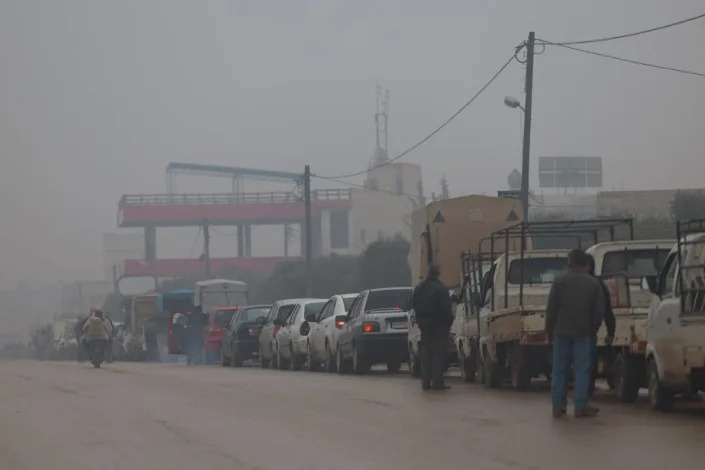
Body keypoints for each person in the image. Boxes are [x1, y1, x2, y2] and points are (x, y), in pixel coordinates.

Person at [546, 249, 604, 418]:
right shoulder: (593, 284)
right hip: (583, 333)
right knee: (581, 370)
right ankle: (580, 406)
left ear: (570, 262)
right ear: (585, 263)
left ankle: (557, 406)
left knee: (559, 370)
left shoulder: (559, 282)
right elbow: (599, 311)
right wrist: (592, 328)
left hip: (561, 332)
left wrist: (549, 330)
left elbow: (551, 309)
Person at [412, 262, 454, 391]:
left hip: (424, 326)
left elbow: (414, 306)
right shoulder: (441, 289)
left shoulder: (419, 288)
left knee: (426, 354)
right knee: (437, 354)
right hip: (439, 326)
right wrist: (448, 323)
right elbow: (446, 309)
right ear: (437, 273)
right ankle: (437, 383)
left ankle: (425, 383)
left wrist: (421, 321)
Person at [585, 253, 616, 394]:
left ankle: (560, 403)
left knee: (563, 368)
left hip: (565, 333)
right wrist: (610, 331)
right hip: (588, 331)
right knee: (587, 364)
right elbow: (606, 310)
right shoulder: (598, 285)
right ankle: (584, 396)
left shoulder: (563, 281)